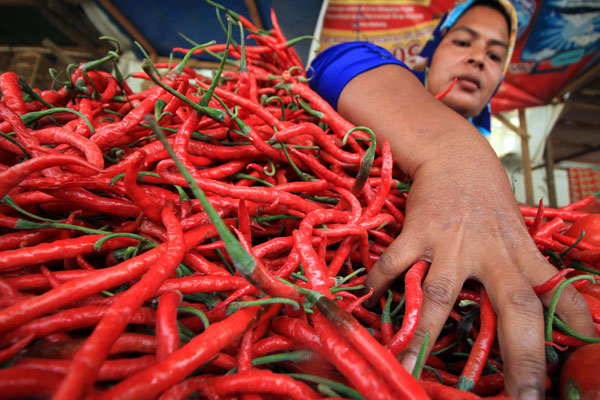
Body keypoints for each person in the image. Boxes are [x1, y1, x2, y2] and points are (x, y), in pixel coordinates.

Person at [308, 0, 596, 399]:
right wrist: (451, 150)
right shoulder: (381, 84)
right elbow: (337, 60)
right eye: (463, 41)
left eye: (496, 55)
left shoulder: (495, 167)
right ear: (430, 54)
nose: (479, 58)